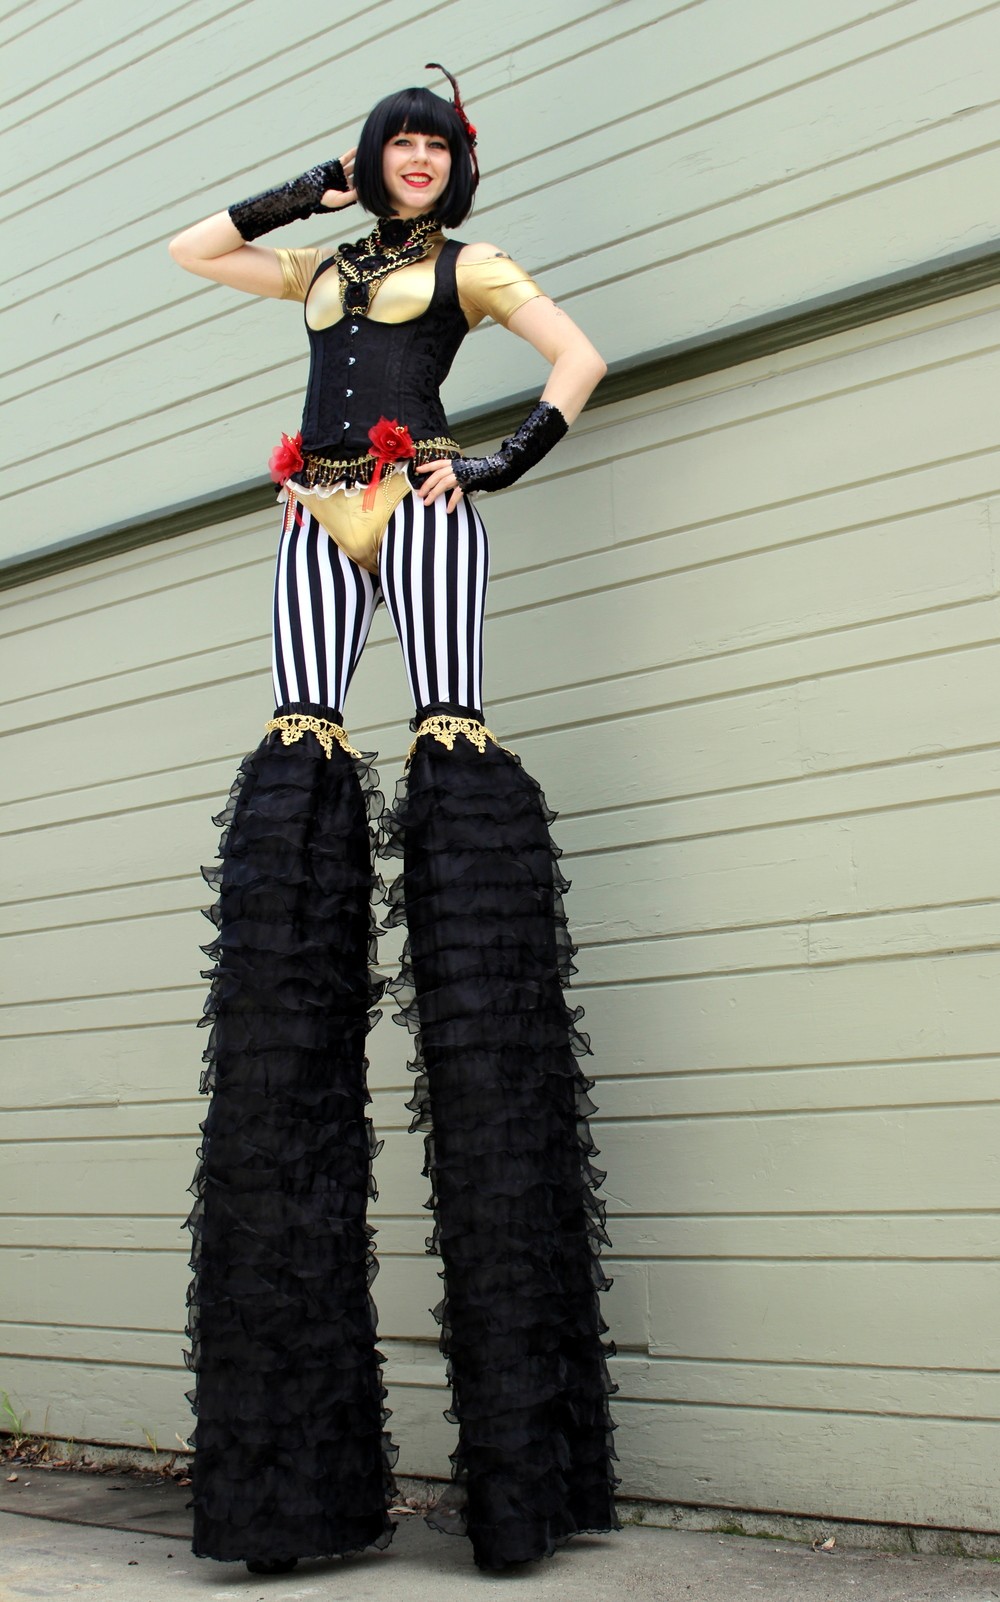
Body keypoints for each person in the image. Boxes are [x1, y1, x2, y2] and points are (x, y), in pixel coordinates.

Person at [170, 64, 619, 1577]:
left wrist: (494, 460)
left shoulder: (471, 268)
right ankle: (293, 1482)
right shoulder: (319, 266)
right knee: (299, 738)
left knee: (447, 733)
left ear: (454, 167)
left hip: (419, 500)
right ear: (371, 161)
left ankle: (517, 1476)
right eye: (396, 146)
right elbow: (193, 249)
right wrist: (312, 191)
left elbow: (580, 356)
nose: (416, 161)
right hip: (318, 502)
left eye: (433, 146)